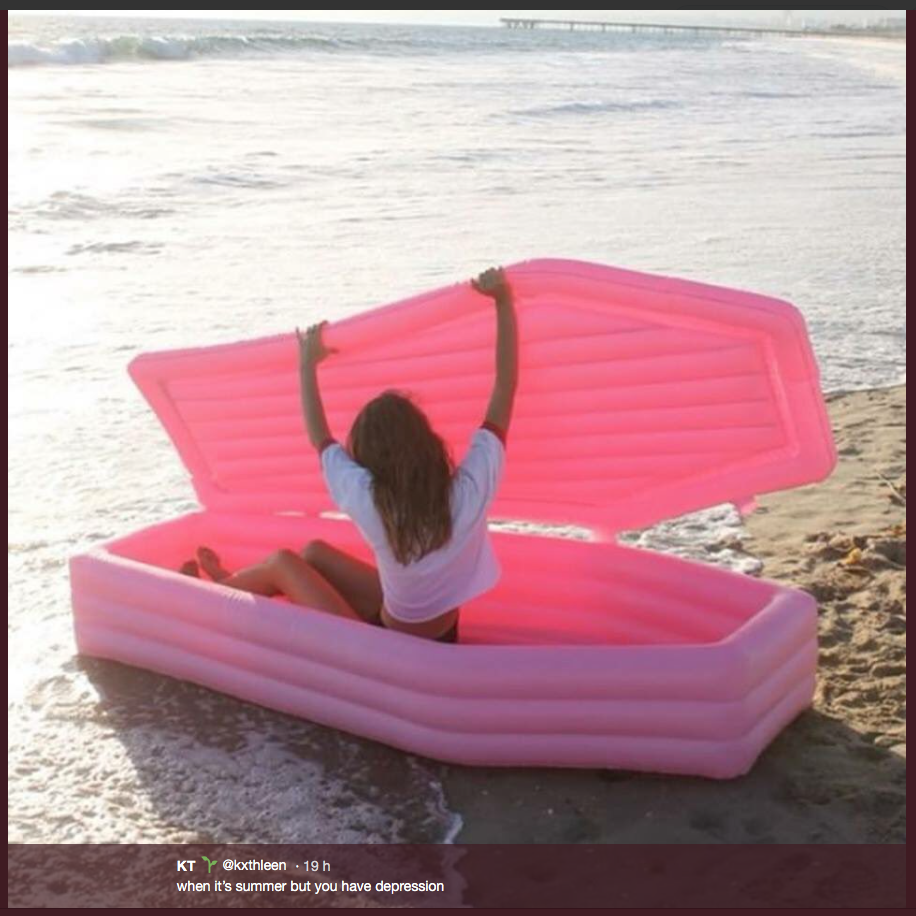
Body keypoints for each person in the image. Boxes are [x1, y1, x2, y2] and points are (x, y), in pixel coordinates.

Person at [180, 266, 518, 643]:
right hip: (442, 632)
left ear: (370, 462)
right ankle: (238, 584)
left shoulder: (370, 499)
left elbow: (319, 436)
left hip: (389, 643)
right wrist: (503, 302)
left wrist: (307, 363)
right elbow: (504, 389)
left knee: (282, 563)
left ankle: (209, 595)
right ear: (427, 441)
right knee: (314, 553)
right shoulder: (470, 489)